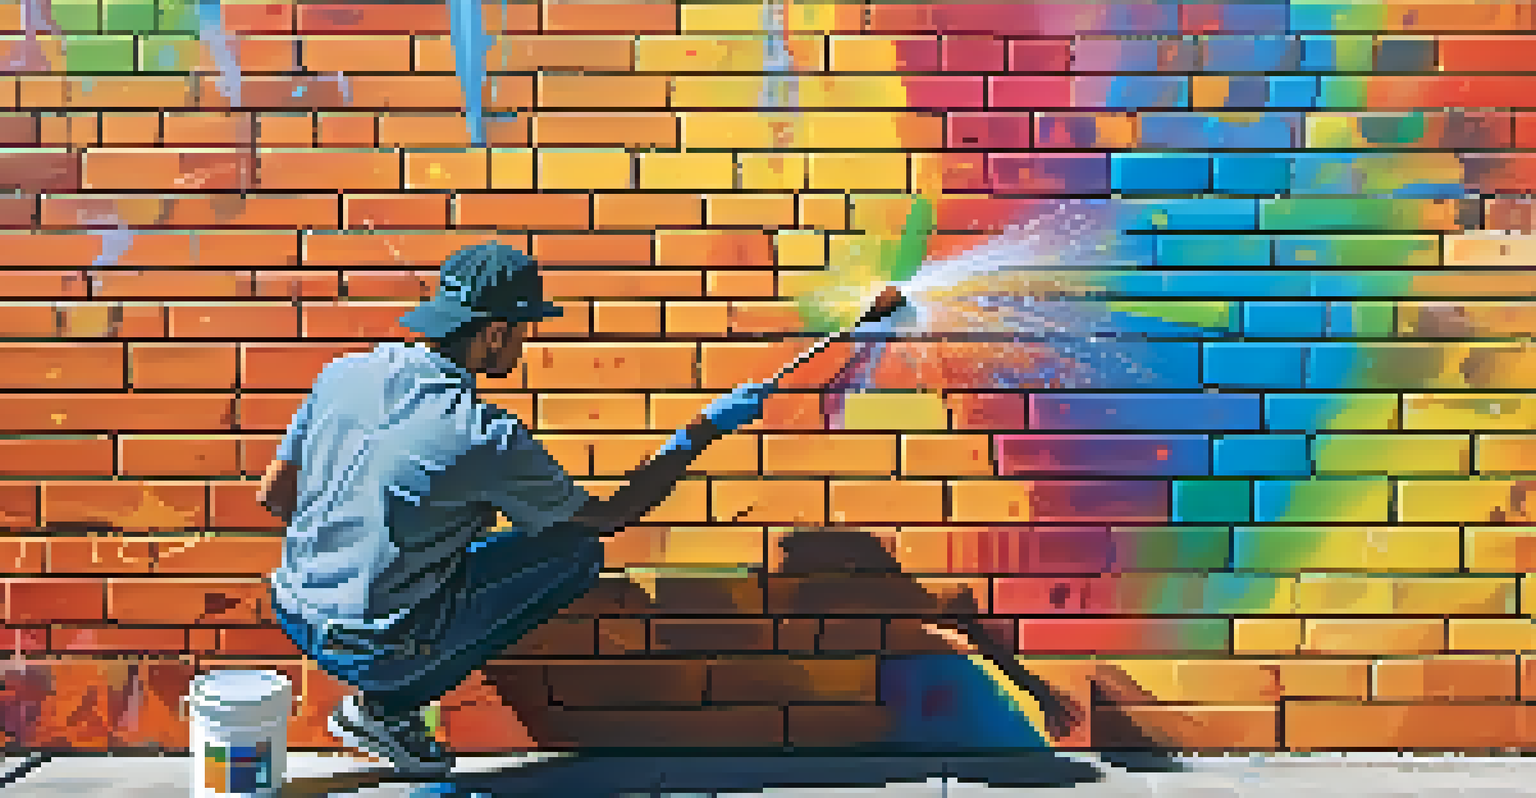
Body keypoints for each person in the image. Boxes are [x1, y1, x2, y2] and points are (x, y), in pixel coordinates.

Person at [257, 242, 772, 777]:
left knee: (452, 538)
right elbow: (611, 516)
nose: (522, 346)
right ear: (495, 333)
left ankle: (380, 670)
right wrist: (705, 428)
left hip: (294, 608)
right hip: (375, 651)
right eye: (523, 332)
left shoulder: (342, 374)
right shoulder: (484, 434)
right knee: (576, 553)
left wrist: (369, 534)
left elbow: (274, 495)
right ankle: (386, 709)